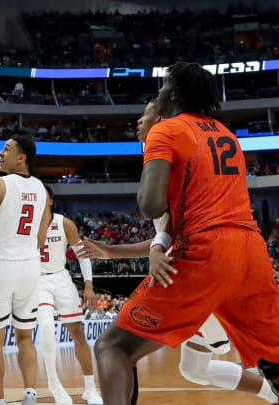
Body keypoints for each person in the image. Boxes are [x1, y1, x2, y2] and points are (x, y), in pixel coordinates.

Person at [92, 62, 279, 405]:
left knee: (112, 347)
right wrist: (158, 244)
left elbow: (150, 206)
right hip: (252, 252)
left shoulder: (165, 131)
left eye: (163, 87)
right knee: (272, 362)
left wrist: (151, 158)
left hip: (206, 253)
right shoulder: (226, 135)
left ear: (175, 93)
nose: (159, 94)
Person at [0, 135, 52, 405]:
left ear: (22, 157)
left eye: (6, 148)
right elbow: (40, 239)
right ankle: (30, 394)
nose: (1, 153)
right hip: (30, 267)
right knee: (25, 337)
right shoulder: (42, 189)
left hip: (0, 267)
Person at [34, 184, 103, 405]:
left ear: (51, 201)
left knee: (78, 333)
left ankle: (90, 389)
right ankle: (54, 384)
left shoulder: (64, 223)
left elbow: (82, 256)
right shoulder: (26, 224)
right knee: (45, 328)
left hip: (61, 278)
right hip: (37, 281)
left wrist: (89, 286)